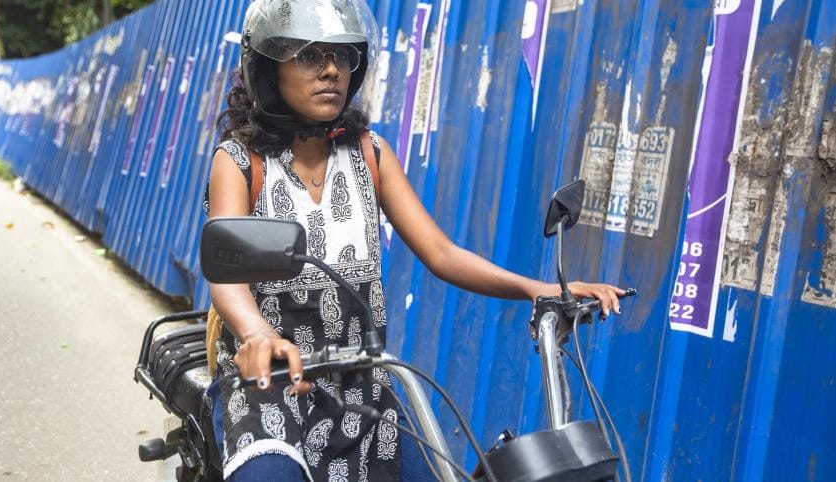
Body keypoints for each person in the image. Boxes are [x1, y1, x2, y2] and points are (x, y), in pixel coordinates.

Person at [204, 1, 625, 480]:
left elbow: (441, 252)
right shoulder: (240, 161)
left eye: (342, 57)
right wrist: (258, 334)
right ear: (268, 68)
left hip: (362, 387)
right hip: (269, 384)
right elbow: (228, 274)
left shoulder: (371, 153)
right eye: (308, 56)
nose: (330, 70)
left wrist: (539, 289)